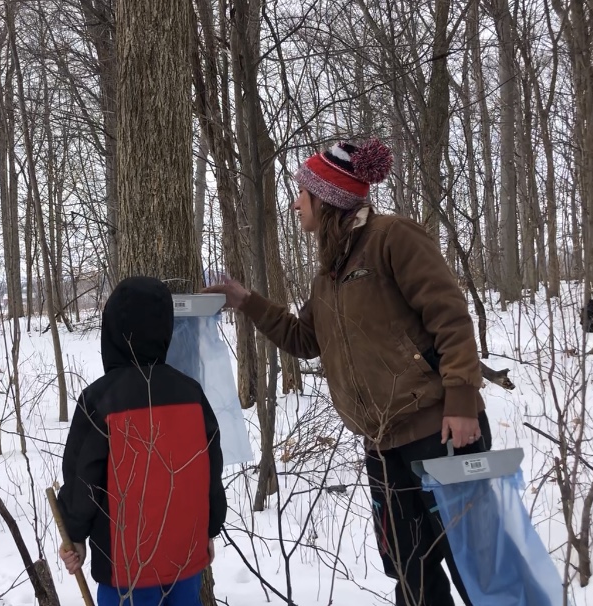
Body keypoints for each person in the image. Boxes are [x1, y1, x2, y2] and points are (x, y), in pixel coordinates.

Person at [205, 138, 491, 606]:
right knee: (411, 575)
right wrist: (246, 302)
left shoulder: (393, 238)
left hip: (439, 431)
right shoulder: (329, 273)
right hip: (382, 447)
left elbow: (450, 317)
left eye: (303, 192)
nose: (296, 202)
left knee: (477, 567)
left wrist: (461, 401)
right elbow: (305, 340)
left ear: (328, 197)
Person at [57, 276, 227, 606]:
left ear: (112, 332)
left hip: (126, 571)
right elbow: (211, 470)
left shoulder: (100, 399)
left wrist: (74, 534)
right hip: (185, 560)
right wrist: (210, 527)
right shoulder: (191, 394)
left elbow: (83, 481)